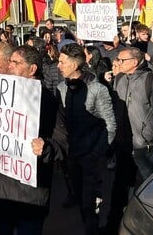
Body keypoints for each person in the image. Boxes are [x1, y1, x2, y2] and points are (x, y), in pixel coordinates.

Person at [0, 45, 67, 235]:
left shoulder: (48, 100)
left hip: (30, 195)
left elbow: (62, 142)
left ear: (32, 69)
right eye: (10, 62)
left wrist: (46, 147)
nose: (10, 66)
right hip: (0, 191)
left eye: (16, 62)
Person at [56, 43, 116, 235]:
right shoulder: (60, 88)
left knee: (90, 203)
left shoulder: (97, 90)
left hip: (90, 157)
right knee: (81, 200)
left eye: (61, 62)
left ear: (75, 65)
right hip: (71, 156)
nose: (58, 65)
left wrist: (96, 153)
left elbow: (110, 125)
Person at [112, 47, 153, 187]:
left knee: (152, 184)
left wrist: (148, 135)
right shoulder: (119, 79)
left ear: (134, 62)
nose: (118, 63)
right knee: (122, 183)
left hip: (145, 145)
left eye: (122, 60)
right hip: (123, 142)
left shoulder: (150, 80)